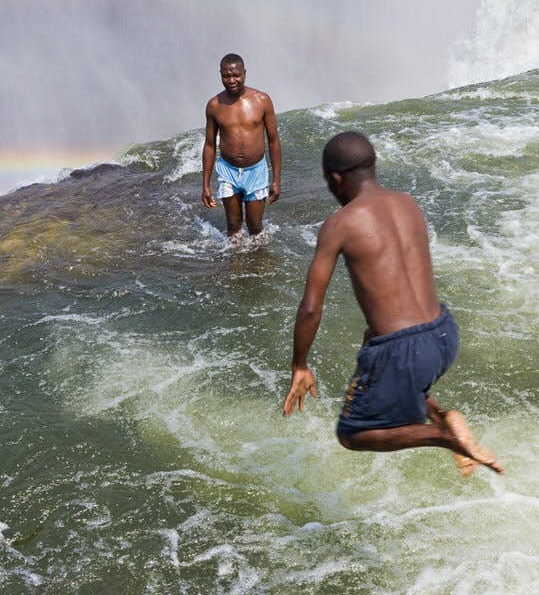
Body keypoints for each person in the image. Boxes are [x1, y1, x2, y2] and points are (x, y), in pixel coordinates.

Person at [281, 131, 502, 475]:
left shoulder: (340, 224)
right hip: (443, 334)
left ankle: (444, 435)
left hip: (405, 348)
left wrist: (300, 364)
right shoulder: (408, 202)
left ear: (336, 179)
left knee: (353, 433)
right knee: (394, 366)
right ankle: (444, 416)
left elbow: (311, 306)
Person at [202, 53, 281, 241]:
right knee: (233, 228)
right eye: (226, 76)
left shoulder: (262, 100)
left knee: (255, 228)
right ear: (220, 75)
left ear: (244, 73)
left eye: (236, 75)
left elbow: (273, 140)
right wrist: (205, 184)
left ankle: (260, 267)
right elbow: (210, 144)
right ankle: (236, 268)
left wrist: (276, 180)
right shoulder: (214, 105)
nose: (231, 80)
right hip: (228, 171)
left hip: (256, 171)